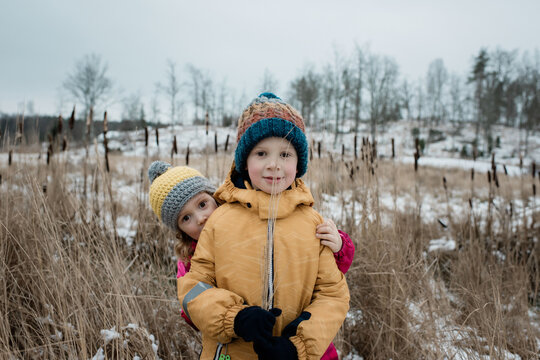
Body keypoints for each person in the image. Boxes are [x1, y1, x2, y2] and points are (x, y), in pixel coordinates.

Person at [174, 92, 350, 359]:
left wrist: (298, 346)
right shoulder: (219, 220)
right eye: (261, 153)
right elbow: (194, 287)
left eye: (285, 154)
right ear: (244, 161)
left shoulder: (312, 223)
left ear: (299, 163)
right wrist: (235, 318)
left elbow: (333, 295)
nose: (273, 165)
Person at [148, 161, 355, 358]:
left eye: (202, 204)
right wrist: (234, 316)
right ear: (180, 231)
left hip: (305, 342)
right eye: (186, 218)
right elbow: (193, 308)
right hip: (237, 346)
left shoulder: (254, 225)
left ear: (215, 197)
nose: (200, 218)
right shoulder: (190, 262)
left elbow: (327, 277)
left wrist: (339, 246)